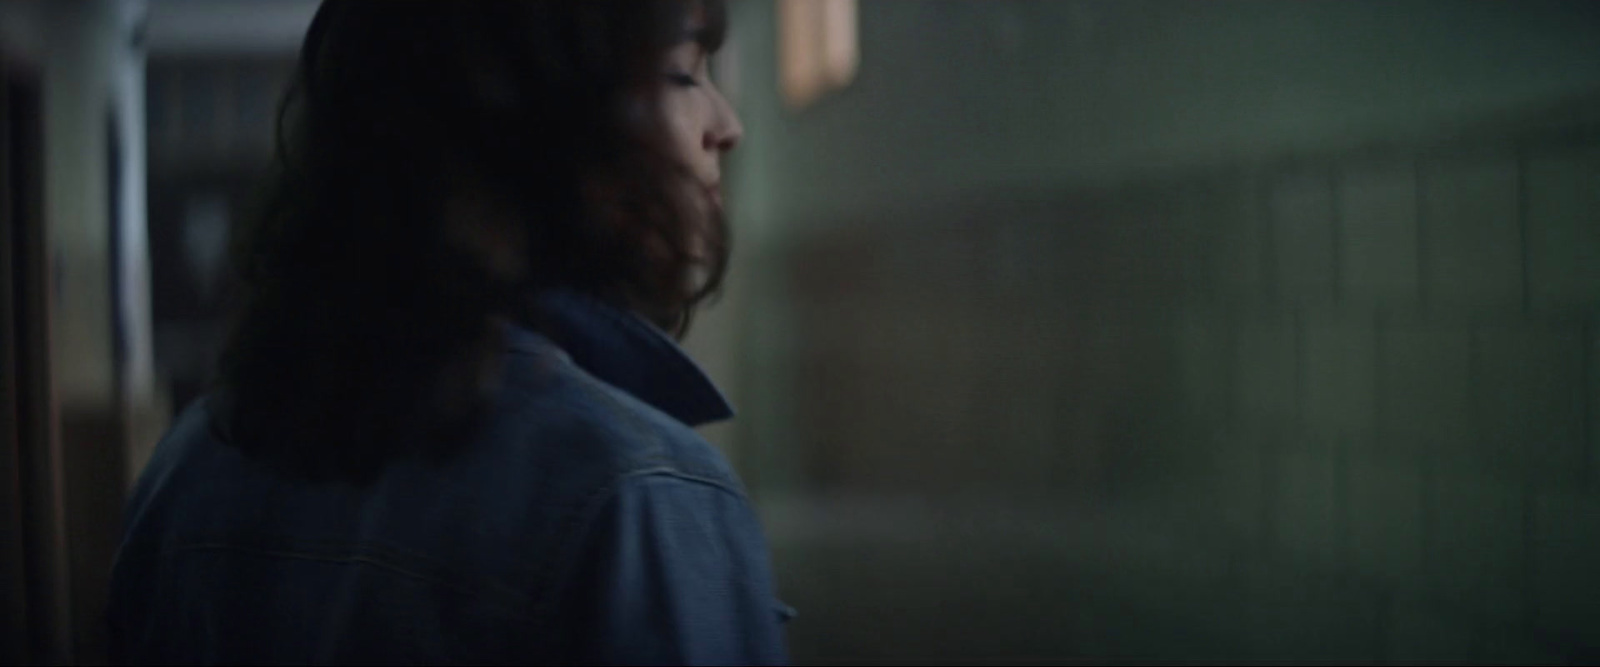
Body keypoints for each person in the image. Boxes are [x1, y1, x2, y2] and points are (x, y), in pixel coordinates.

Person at [107, 1, 792, 664]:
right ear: (529, 120)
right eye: (682, 72)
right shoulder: (638, 493)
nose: (727, 125)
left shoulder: (188, 464)